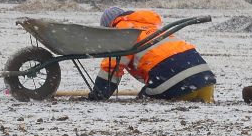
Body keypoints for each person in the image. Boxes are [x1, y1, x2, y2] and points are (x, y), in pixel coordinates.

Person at [88, 7, 216, 102]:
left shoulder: (123, 32)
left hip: (178, 87)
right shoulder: (152, 28)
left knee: (142, 101)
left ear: (110, 27)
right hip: (206, 82)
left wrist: (99, 95)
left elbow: (112, 68)